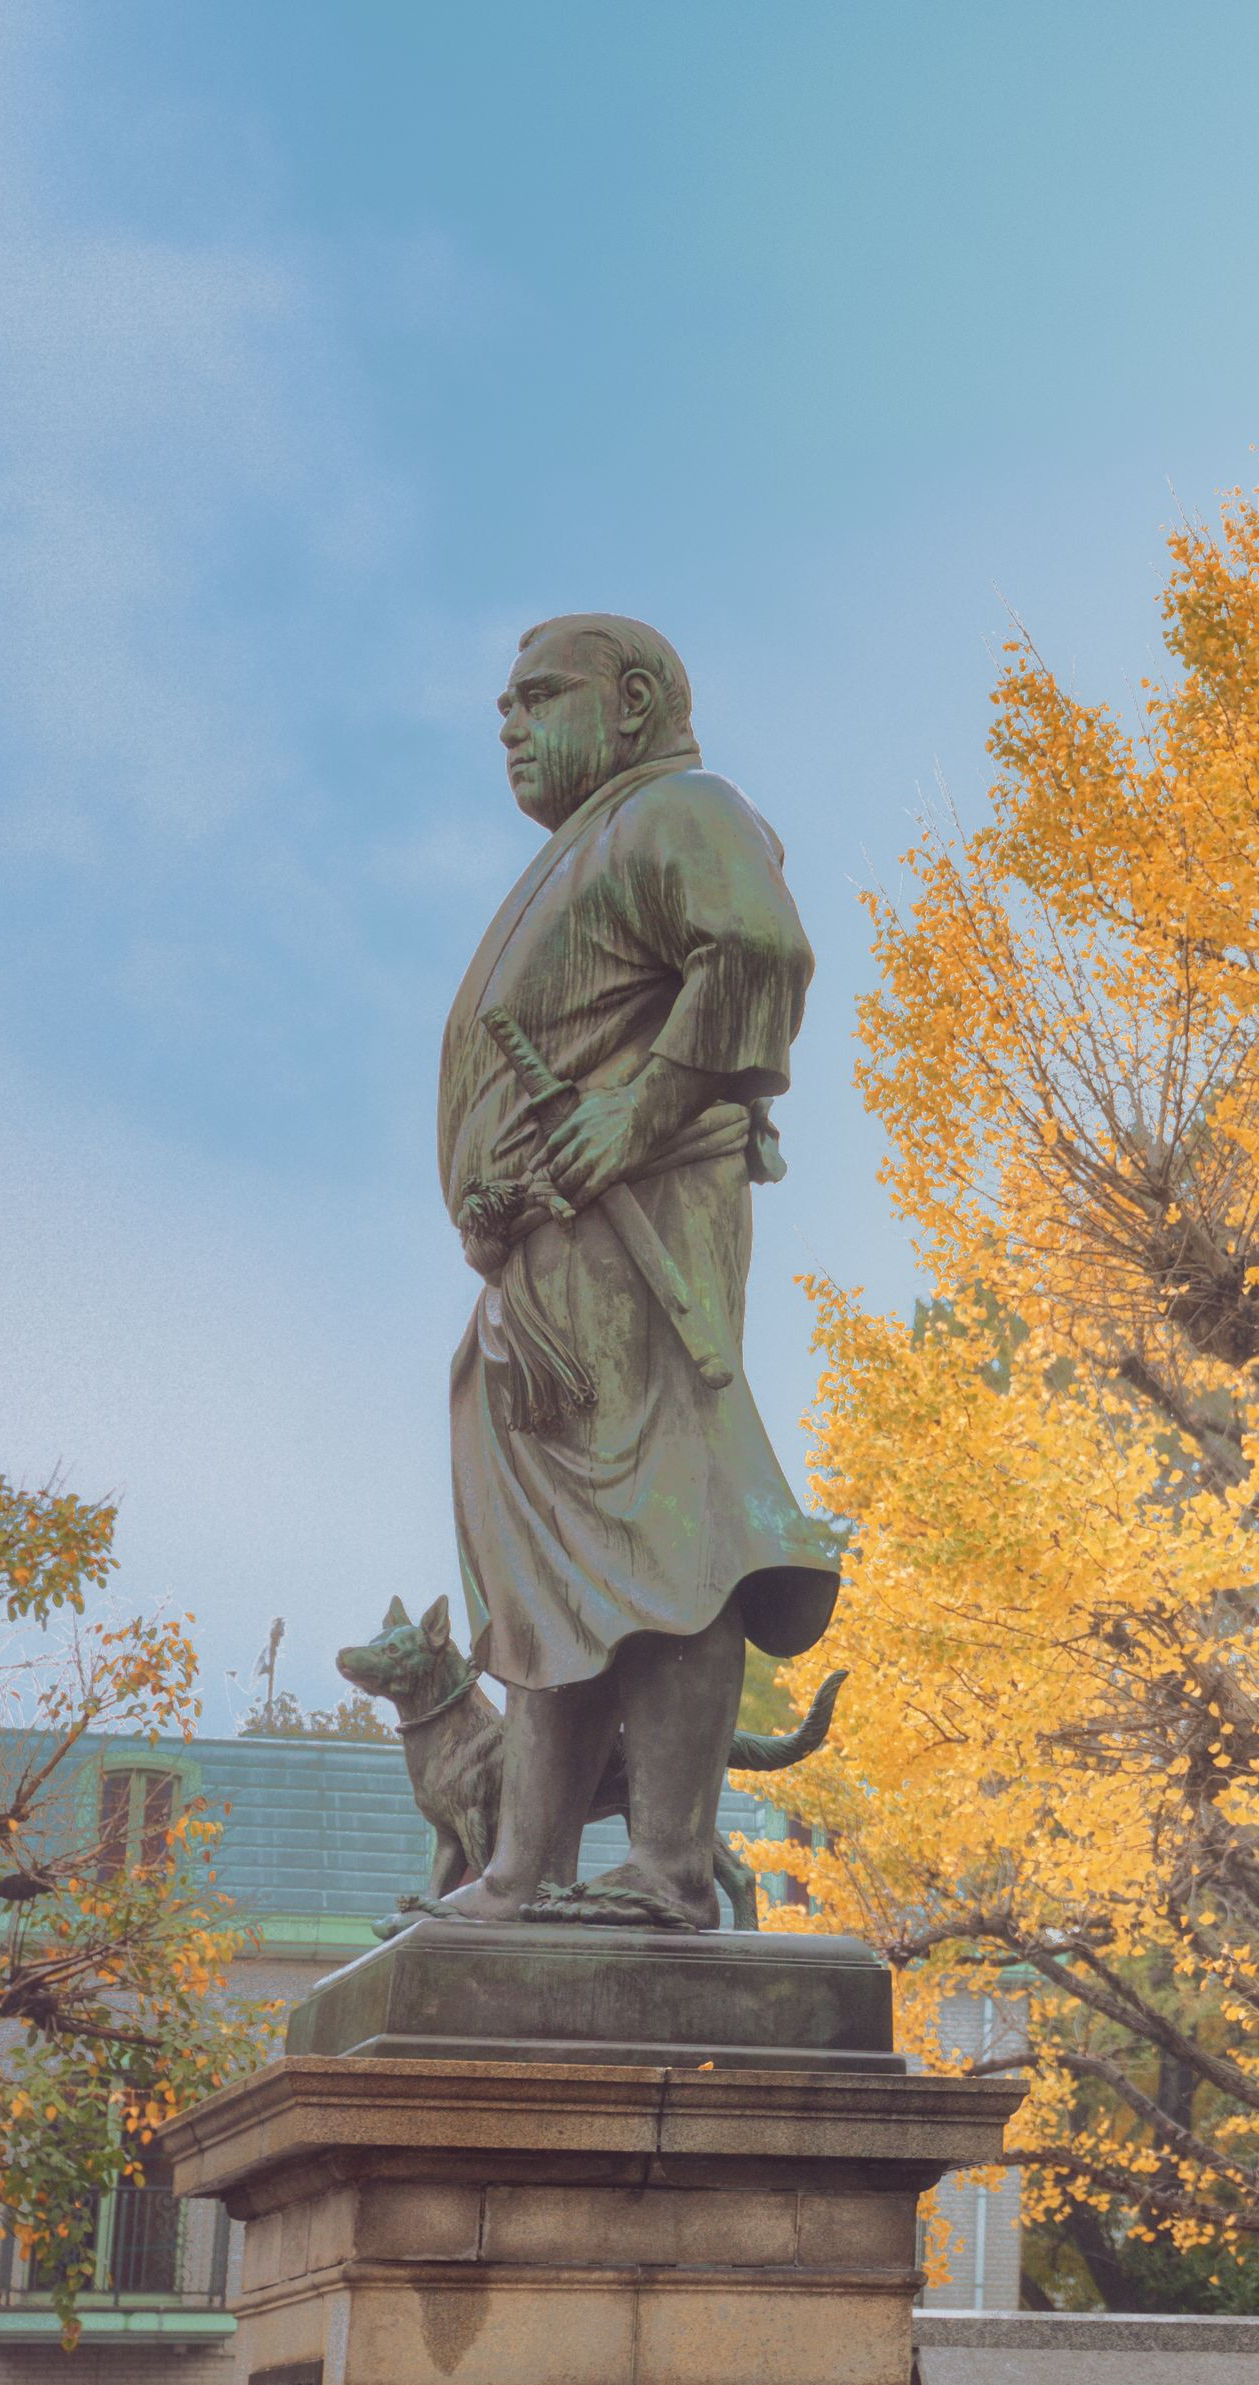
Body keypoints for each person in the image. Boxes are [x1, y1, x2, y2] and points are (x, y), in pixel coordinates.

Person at [427, 612, 837, 1931]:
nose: (509, 721)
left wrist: (641, 1108)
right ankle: (525, 1865)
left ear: (638, 701)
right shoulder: (585, 847)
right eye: (504, 703)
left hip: (631, 1232)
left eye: (539, 695)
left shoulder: (679, 810)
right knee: (558, 1566)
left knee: (663, 1529)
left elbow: (759, 949)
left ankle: (667, 1867)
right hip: (541, 1265)